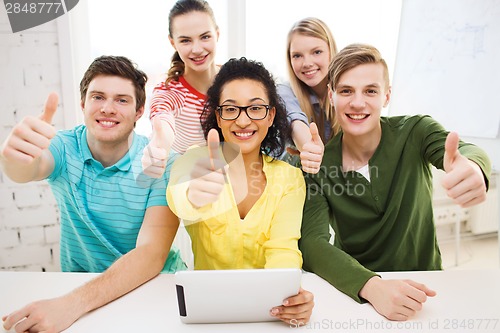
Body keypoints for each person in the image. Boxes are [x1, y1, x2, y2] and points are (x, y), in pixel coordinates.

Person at [300, 44, 491, 321]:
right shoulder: (316, 165)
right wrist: (372, 287)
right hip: (358, 294)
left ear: (387, 95)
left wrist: (473, 167)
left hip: (426, 288)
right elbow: (313, 244)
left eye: (370, 90)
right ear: (331, 96)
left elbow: (466, 152)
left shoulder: (416, 131)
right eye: (346, 91)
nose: (357, 102)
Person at [0, 55, 185, 333]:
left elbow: (151, 254)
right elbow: (29, 169)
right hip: (81, 289)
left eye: (122, 100)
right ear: (83, 104)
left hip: (155, 285)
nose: (108, 108)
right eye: (98, 97)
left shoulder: (161, 162)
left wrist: (71, 305)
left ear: (139, 112)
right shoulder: (63, 147)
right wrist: (13, 159)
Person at [166, 57, 314, 325]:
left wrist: (289, 299)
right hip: (207, 311)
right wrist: (193, 196)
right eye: (231, 110)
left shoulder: (290, 178)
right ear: (218, 118)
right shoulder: (195, 161)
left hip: (268, 313)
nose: (243, 121)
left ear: (270, 116)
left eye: (256, 108)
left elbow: (284, 249)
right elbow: (178, 198)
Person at [141, 0, 220, 178]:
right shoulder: (170, 92)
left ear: (217, 34)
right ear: (173, 43)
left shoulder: (234, 80)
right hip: (189, 190)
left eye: (205, 37)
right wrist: (158, 145)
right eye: (185, 40)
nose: (197, 49)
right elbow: (162, 120)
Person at [278, 17, 338, 174]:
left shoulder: (347, 90)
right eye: (297, 56)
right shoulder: (284, 90)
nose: (307, 63)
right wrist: (309, 147)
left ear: (331, 51)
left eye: (316, 52)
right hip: (295, 179)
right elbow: (295, 122)